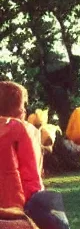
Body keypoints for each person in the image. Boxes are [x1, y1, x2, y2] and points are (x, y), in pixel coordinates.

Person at [0, 81, 44, 210]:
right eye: (23, 104)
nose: (25, 109)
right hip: (15, 203)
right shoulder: (20, 129)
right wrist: (38, 199)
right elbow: (31, 173)